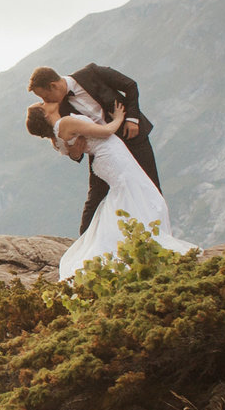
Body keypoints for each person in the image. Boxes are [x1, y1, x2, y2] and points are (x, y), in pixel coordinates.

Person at [25, 95, 195, 280]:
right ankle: (142, 243)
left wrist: (75, 150)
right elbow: (105, 132)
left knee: (129, 196)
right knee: (141, 195)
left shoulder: (57, 137)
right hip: (111, 156)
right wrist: (119, 118)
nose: (45, 101)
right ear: (45, 114)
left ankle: (134, 243)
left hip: (107, 158)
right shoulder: (65, 123)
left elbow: (73, 153)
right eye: (42, 104)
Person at [27, 64, 159, 234]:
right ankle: (85, 242)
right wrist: (75, 154)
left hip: (132, 137)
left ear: (53, 85)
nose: (46, 101)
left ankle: (157, 236)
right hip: (104, 154)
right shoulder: (59, 108)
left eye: (45, 96)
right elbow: (65, 141)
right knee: (95, 200)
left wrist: (132, 119)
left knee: (150, 187)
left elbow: (130, 85)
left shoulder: (92, 73)